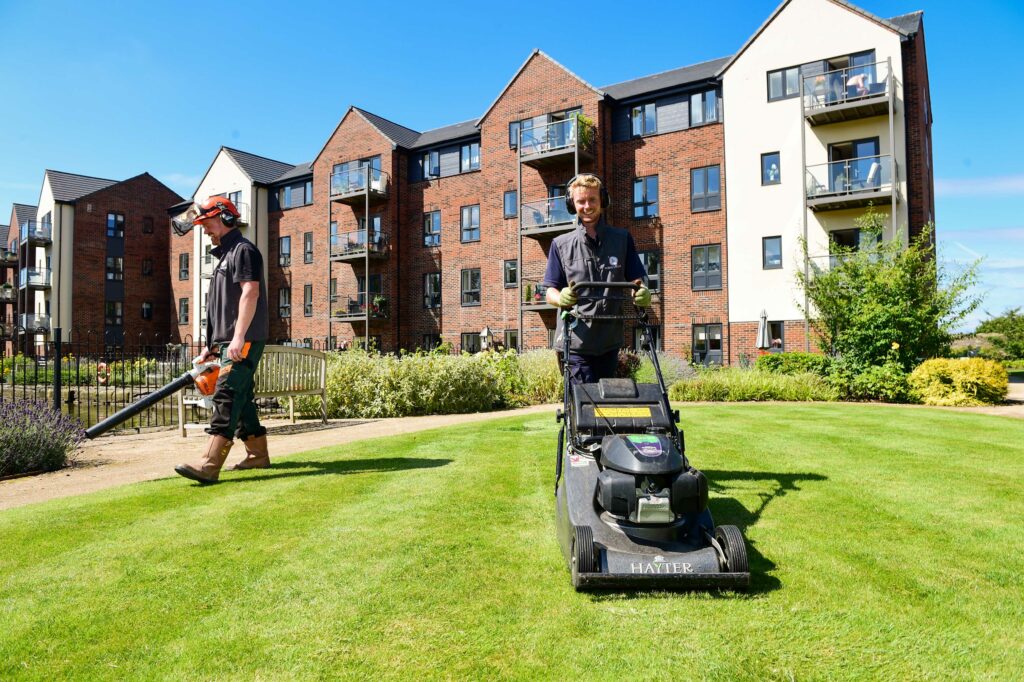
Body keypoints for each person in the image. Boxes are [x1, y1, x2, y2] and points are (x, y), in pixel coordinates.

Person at [174, 197, 270, 484]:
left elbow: (250, 293)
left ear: (226, 219)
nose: (204, 229)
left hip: (246, 338)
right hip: (229, 340)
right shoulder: (225, 256)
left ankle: (209, 464)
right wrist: (211, 346)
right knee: (240, 395)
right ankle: (258, 455)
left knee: (226, 393)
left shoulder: (243, 251)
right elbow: (221, 305)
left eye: (206, 223)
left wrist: (239, 337)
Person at [542, 173, 650, 384]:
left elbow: (636, 281)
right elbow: (549, 291)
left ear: (602, 201)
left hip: (609, 342)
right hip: (575, 343)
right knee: (583, 407)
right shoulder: (560, 245)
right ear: (572, 204)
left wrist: (642, 292)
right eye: (581, 201)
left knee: (605, 405)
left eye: (592, 200)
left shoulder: (622, 239)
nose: (587, 206)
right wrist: (560, 297)